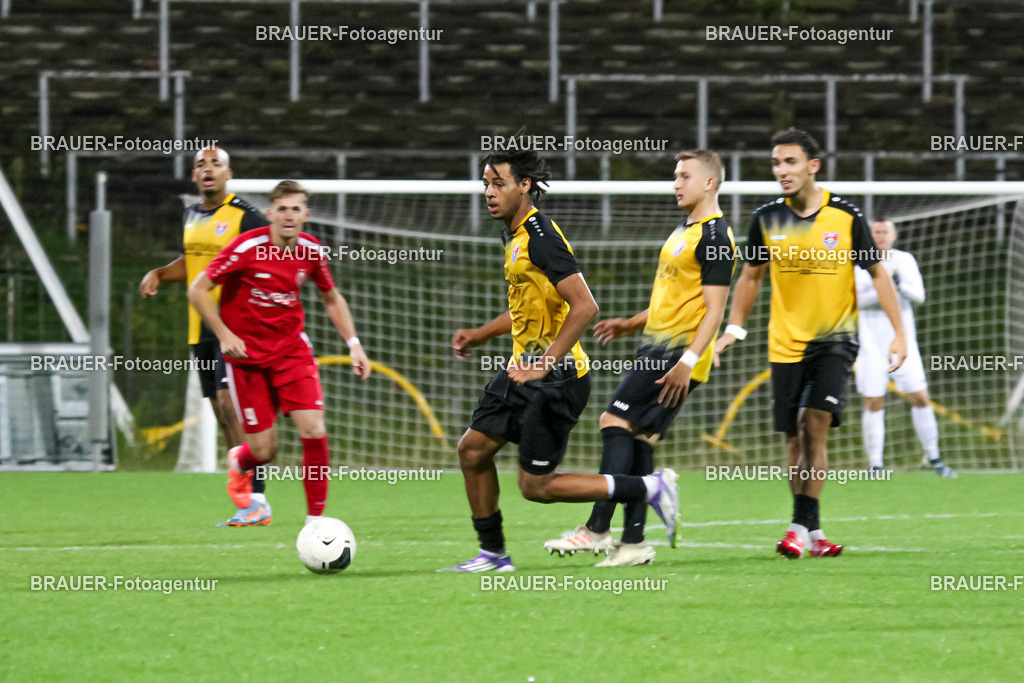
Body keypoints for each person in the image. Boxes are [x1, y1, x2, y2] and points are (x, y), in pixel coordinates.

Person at [445, 148, 679, 572]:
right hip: (521, 371)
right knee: (472, 451)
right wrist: (481, 334)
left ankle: (648, 487)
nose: (489, 192)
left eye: (498, 183)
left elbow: (585, 306)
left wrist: (545, 363)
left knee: (536, 487)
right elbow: (528, 308)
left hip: (556, 380)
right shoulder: (514, 236)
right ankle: (494, 554)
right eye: (485, 183)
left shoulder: (541, 236)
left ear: (524, 186)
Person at [715, 128, 908, 559]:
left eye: (791, 163)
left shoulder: (844, 215)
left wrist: (899, 334)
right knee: (795, 441)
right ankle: (815, 531)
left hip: (835, 340)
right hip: (785, 344)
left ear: (813, 166)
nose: (782, 171)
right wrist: (734, 328)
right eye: (776, 164)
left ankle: (796, 527)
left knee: (812, 421)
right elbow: (750, 275)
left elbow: (878, 273)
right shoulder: (768, 218)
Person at [543, 150, 735, 567]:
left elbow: (715, 310)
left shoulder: (716, 237)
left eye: (685, 175)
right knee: (639, 438)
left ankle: (596, 529)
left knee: (613, 421)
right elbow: (677, 299)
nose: (676, 183)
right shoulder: (685, 230)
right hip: (660, 345)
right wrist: (632, 323)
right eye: (675, 175)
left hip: (674, 354)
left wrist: (688, 359)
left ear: (710, 183)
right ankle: (633, 544)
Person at [187, 180, 371, 526]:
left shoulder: (312, 251)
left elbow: (331, 297)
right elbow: (198, 291)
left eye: (296, 209)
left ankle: (316, 523)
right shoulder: (245, 248)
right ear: (270, 213)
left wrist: (354, 344)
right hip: (246, 359)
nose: (289, 216)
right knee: (264, 452)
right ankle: (240, 462)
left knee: (315, 430)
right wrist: (224, 335)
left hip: (292, 353)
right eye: (282, 209)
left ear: (306, 215)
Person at [139, 146, 272, 526]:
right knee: (220, 413)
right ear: (195, 177)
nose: (208, 169)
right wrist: (161, 274)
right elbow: (194, 262)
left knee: (233, 408)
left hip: (234, 328)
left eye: (216, 163)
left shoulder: (247, 217)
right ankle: (246, 501)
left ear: (229, 173)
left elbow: (265, 264)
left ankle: (259, 497)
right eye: (201, 165)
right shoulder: (191, 215)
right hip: (201, 331)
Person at [855, 219, 955, 477]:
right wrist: (885, 286)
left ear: (894, 235)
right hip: (870, 346)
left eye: (884, 231)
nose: (880, 236)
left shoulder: (905, 260)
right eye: (875, 231)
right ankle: (875, 464)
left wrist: (897, 284)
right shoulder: (858, 260)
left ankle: (934, 457)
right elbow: (855, 301)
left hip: (903, 344)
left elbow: (919, 296)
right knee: (874, 401)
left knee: (921, 398)